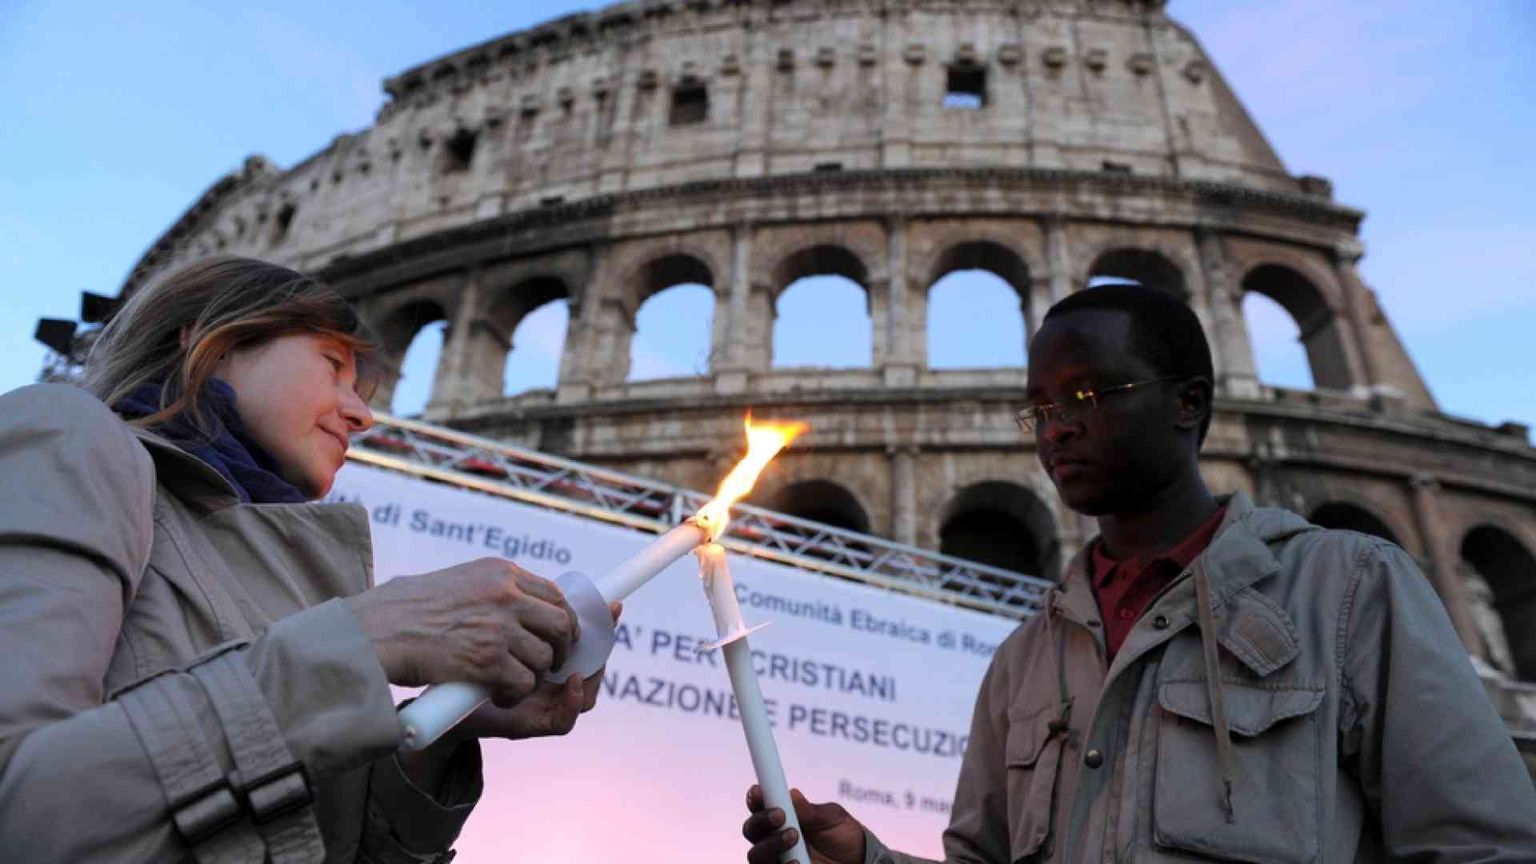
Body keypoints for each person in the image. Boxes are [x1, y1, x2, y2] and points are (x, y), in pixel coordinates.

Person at [743, 284, 1536, 863]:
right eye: (1040, 407)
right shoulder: (1025, 658)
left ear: (1189, 403)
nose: (1056, 429)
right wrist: (868, 863)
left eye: (1087, 394)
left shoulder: (1348, 590)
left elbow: (1482, 845)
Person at [0, 256, 615, 862]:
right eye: (333, 367)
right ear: (216, 343)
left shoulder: (291, 580)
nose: (363, 414)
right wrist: (364, 637)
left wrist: (443, 722)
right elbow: (18, 806)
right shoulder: (72, 437)